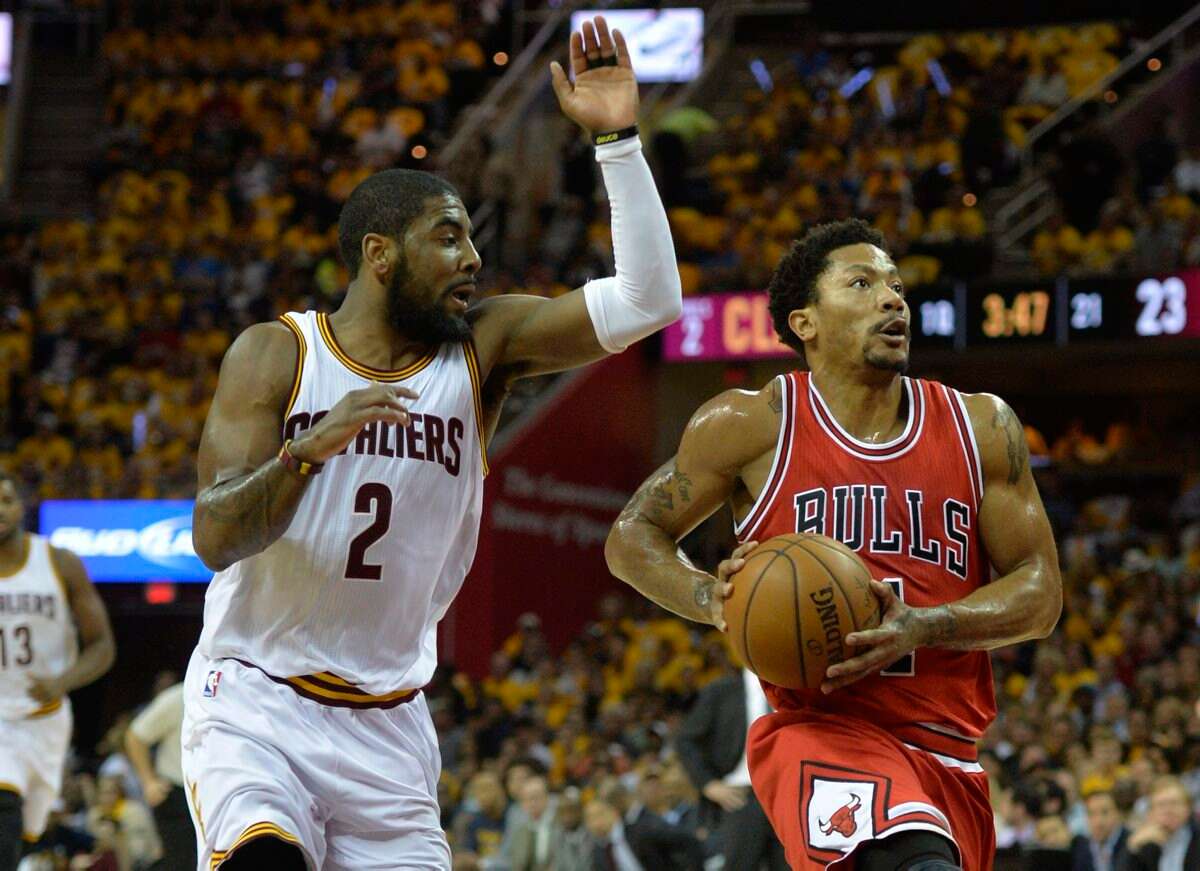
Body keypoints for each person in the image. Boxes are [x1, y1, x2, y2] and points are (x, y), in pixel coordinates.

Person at [181, 16, 682, 871]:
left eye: (472, 237)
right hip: (257, 702)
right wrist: (305, 453)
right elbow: (215, 536)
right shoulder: (277, 355)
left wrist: (618, 142)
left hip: (389, 726)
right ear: (380, 254)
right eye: (449, 237)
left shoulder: (484, 349)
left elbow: (650, 301)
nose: (473, 257)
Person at [606, 219, 1063, 871]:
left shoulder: (982, 427)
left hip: (949, 754)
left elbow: (1041, 592)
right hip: (818, 735)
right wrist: (712, 598)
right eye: (862, 283)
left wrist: (926, 625)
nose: (892, 297)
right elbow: (631, 537)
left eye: (896, 285)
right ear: (806, 323)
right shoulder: (751, 425)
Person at [0, 472, 115, 870]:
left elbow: (102, 646)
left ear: (21, 506)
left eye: (6, 499)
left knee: (27, 834)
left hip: (43, 720)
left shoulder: (58, 563)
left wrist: (62, 682)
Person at [675, 667, 786, 869]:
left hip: (790, 793)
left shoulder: (797, 684)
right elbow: (685, 740)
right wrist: (707, 783)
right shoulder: (721, 690)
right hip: (741, 797)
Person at [125, 681, 194, 870]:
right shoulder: (181, 696)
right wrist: (149, 782)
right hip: (178, 795)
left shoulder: (236, 695)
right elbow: (135, 736)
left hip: (216, 796)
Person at [1117, 776, 1200, 871]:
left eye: (1174, 803)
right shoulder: (1144, 844)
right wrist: (1132, 848)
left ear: (1188, 809)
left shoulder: (1196, 838)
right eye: (1161, 805)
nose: (1168, 810)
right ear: (1150, 814)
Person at [1071, 790, 1129, 871]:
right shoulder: (1081, 848)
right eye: (1091, 813)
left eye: (1105, 812)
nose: (1098, 821)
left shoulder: (1131, 845)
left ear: (1118, 813)